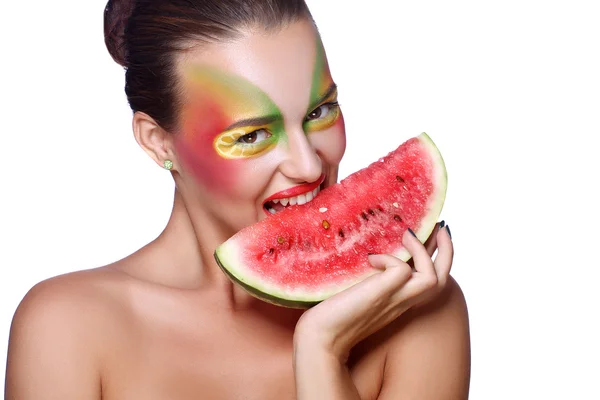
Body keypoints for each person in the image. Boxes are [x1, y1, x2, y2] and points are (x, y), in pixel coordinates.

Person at [5, 1, 470, 398]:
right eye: (252, 135)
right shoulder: (67, 328)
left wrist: (322, 352)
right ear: (158, 143)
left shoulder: (420, 310)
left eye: (320, 111)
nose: (309, 165)